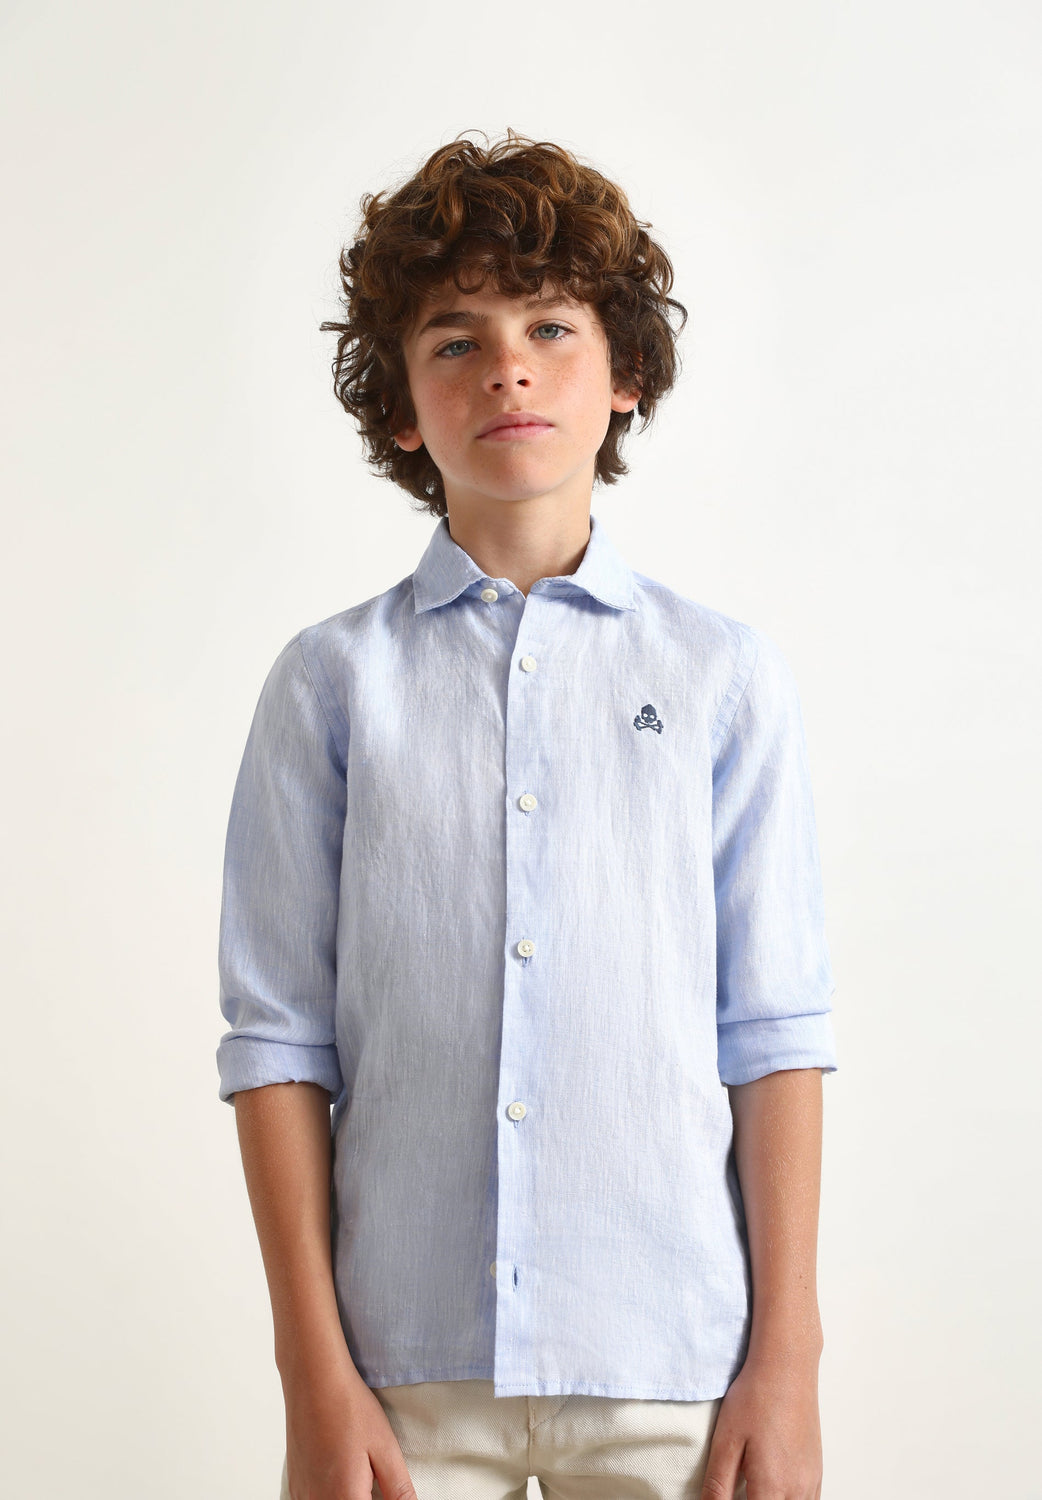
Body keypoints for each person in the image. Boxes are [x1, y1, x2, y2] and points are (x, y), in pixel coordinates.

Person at [216, 130, 838, 1500]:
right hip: (403, 1375)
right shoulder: (329, 684)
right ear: (400, 409)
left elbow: (773, 1029)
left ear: (624, 378)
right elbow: (277, 1046)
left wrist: (785, 1366)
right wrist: (314, 1381)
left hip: (671, 1363)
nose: (506, 366)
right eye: (456, 340)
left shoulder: (723, 676)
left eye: (550, 328)